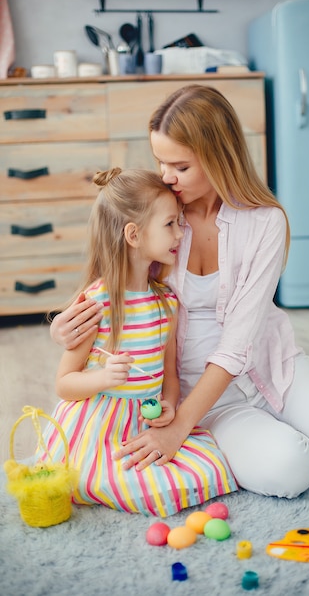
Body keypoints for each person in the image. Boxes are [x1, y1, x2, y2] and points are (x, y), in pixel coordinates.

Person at [50, 85, 309, 499]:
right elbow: (112, 277)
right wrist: (65, 327)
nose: (166, 176)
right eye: (160, 162)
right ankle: (300, 435)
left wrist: (179, 429)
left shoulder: (264, 222)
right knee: (291, 469)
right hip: (203, 396)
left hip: (274, 370)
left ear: (217, 156)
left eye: (179, 166)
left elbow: (239, 342)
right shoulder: (161, 217)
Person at [39, 167, 238, 517]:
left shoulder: (166, 303)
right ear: (133, 234)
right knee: (119, 483)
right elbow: (64, 385)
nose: (180, 233)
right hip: (99, 424)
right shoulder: (96, 304)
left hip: (144, 422)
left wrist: (170, 406)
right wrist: (104, 378)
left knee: (212, 468)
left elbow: (169, 377)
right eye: (170, 225)